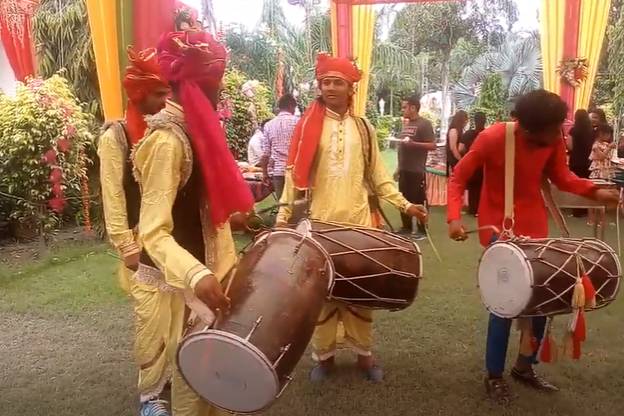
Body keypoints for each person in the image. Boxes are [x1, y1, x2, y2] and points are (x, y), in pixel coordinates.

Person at [447, 90, 620, 404]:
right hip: (499, 231)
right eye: (553, 129)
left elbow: (563, 178)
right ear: (526, 126)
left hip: (535, 230)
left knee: (543, 301)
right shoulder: (493, 138)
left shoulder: (550, 139)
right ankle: (494, 375)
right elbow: (458, 178)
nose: (559, 135)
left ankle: (524, 367)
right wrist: (453, 219)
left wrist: (596, 192)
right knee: (504, 305)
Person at [276, 53, 427, 383]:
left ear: (350, 89)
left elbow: (379, 176)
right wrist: (283, 216)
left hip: (359, 224)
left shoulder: (364, 128)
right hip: (319, 224)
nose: (330, 88)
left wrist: (406, 206)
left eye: (337, 82)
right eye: (325, 82)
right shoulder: (307, 127)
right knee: (323, 295)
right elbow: (293, 176)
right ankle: (325, 357)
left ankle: (364, 355)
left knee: (362, 292)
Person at [133, 30, 254, 416]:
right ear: (186, 84)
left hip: (210, 272)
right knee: (193, 379)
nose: (218, 92)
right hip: (183, 280)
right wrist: (197, 274)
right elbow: (152, 230)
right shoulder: (167, 141)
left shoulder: (197, 129)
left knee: (213, 376)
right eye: (211, 83)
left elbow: (202, 209)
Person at [97, 46, 171, 416]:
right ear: (140, 94)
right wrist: (125, 244)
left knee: (179, 315)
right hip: (140, 245)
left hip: (174, 241)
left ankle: (173, 375)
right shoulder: (116, 138)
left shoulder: (170, 133)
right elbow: (111, 195)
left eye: (167, 92)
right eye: (159, 94)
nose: (165, 100)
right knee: (150, 320)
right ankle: (150, 397)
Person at [393, 94, 436, 239]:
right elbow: (402, 148)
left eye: (405, 107)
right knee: (403, 199)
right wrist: (398, 168)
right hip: (404, 169)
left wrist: (414, 144)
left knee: (418, 200)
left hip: (416, 171)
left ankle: (422, 230)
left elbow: (432, 145)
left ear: (413, 108)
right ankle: (406, 227)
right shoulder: (407, 124)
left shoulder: (424, 124)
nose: (402, 110)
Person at [260, 93, 299, 199]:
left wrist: (265, 174)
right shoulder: (299, 122)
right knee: (298, 207)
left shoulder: (269, 125)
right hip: (296, 171)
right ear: (292, 106)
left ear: (280, 107)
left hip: (278, 172)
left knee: (283, 206)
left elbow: (265, 154)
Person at [459, 111, 487, 216]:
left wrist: (466, 155)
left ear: (474, 121)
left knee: (472, 187)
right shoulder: (486, 134)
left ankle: (473, 209)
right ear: (484, 121)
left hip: (471, 163)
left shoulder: (468, 134)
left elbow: (460, 148)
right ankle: (480, 209)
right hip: (483, 165)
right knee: (482, 187)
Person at [446, 110, 469, 175]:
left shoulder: (460, 130)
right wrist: (461, 160)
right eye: (466, 120)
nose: (466, 122)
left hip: (457, 157)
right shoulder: (454, 130)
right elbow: (453, 148)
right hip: (454, 158)